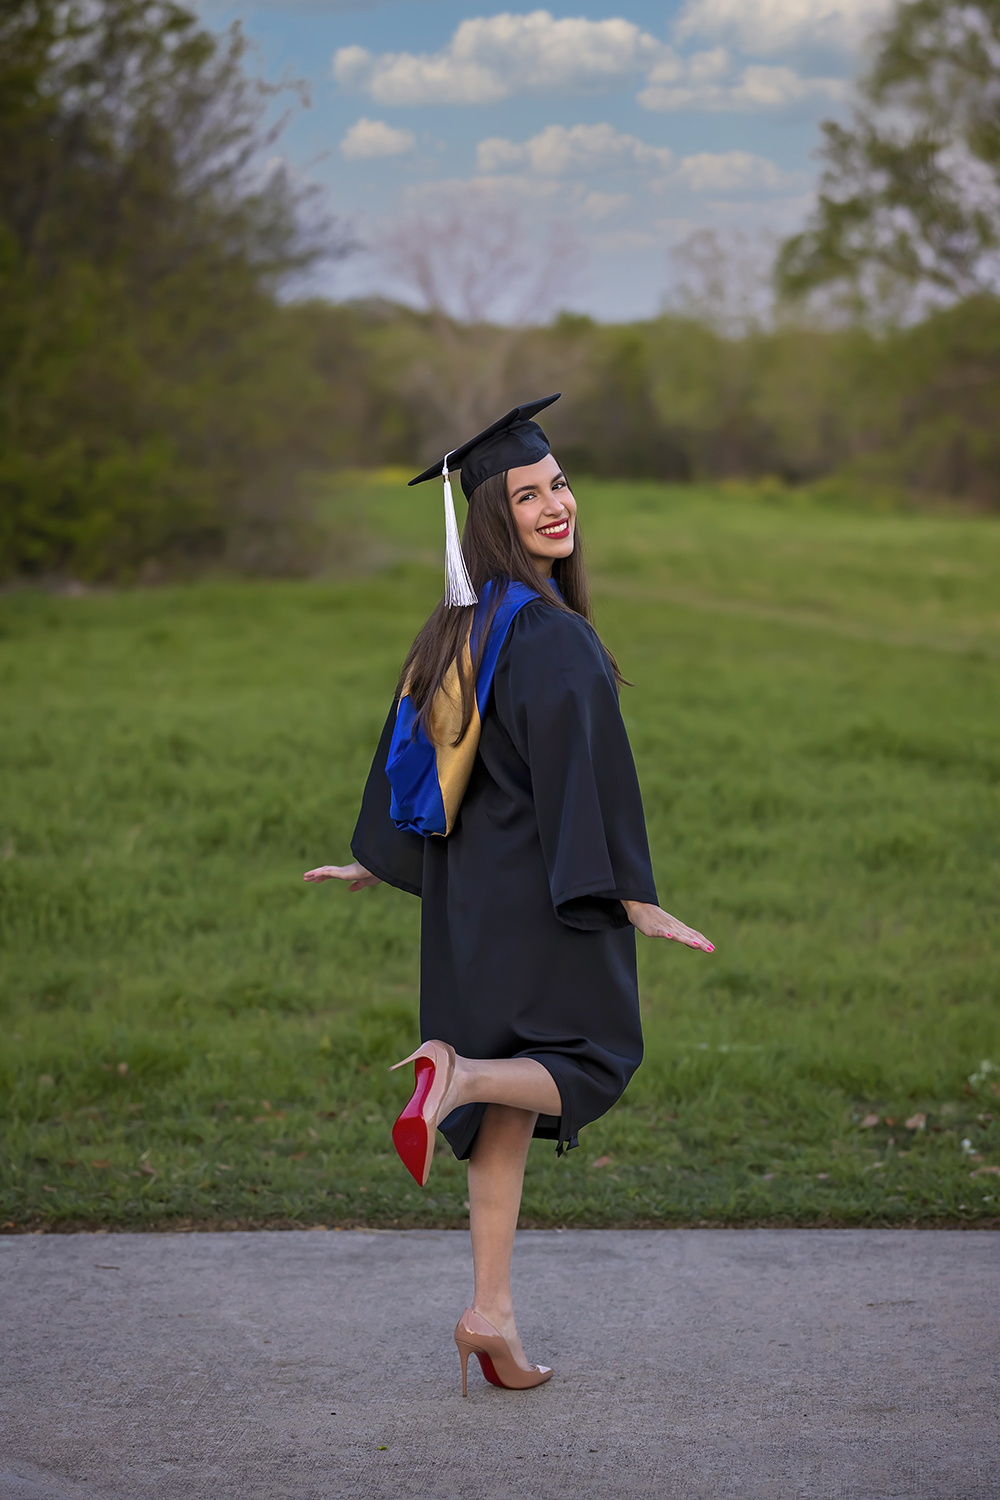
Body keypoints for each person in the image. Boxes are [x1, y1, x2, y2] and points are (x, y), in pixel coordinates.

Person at [304, 395, 712, 1396]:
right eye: (527, 495)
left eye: (559, 484)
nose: (555, 505)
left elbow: (413, 755)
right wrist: (626, 895)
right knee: (590, 1059)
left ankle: (490, 1314)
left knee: (506, 1126)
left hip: (466, 908)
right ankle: (457, 1072)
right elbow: (586, 774)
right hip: (541, 904)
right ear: (492, 516)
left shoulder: (459, 622)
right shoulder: (556, 637)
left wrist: (375, 857)